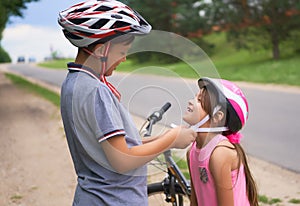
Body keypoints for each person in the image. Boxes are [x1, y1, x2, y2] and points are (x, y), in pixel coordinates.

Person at [58, 0, 196, 205]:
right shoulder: (96, 92)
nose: (123, 59)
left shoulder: (73, 84)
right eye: (122, 52)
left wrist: (165, 138)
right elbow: (122, 160)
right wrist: (172, 139)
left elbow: (119, 148)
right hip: (112, 200)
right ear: (100, 50)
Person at [184, 77, 258, 206]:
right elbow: (195, 200)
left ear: (218, 116)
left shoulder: (220, 154)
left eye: (199, 101)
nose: (191, 102)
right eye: (194, 97)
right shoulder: (192, 151)